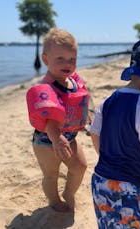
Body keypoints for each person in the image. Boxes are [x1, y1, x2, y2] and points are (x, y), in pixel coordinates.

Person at [90, 36, 140, 228]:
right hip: (130, 190)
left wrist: (109, 160)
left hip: (101, 182)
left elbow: (95, 134)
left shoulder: (110, 100)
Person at [26, 28, 89, 212]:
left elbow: (78, 102)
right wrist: (56, 138)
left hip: (69, 138)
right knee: (51, 175)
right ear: (45, 59)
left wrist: (86, 114)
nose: (67, 63)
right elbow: (49, 121)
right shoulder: (46, 87)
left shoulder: (73, 81)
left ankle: (69, 193)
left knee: (80, 167)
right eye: (60, 58)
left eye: (72, 59)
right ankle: (53, 201)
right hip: (47, 141)